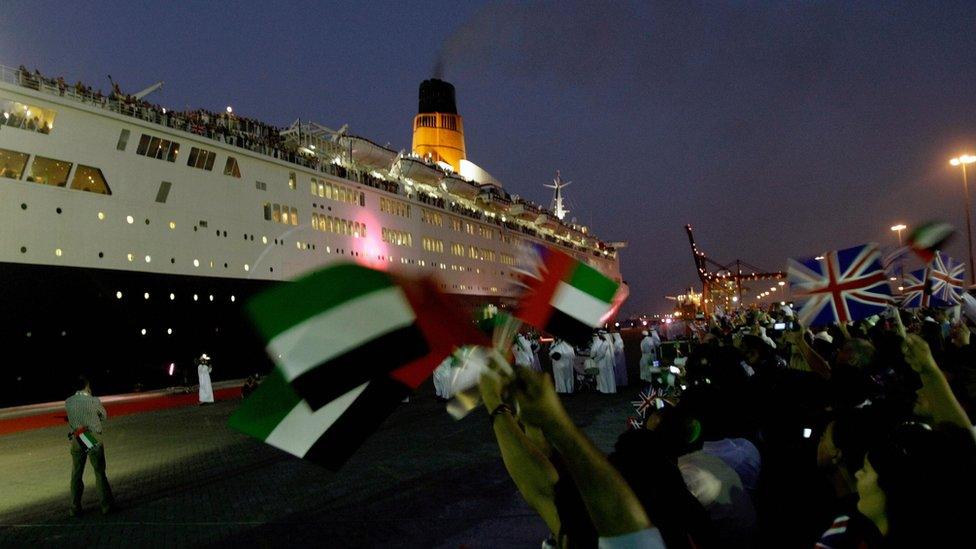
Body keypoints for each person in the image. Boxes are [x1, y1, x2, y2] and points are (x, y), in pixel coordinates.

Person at [65, 376, 115, 516]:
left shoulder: (68, 402)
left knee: (76, 473)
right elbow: (104, 415)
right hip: (90, 436)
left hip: (77, 436)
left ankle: (74, 507)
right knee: (99, 472)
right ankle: (106, 505)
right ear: (87, 386)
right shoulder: (93, 400)